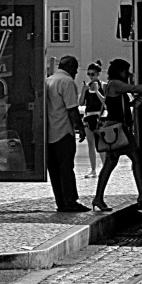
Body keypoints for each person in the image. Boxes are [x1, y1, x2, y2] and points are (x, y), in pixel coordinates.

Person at [92, 58, 142, 214]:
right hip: (117, 129)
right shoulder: (115, 84)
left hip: (118, 128)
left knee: (112, 163)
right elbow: (135, 88)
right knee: (134, 159)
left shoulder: (114, 85)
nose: (128, 74)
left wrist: (138, 101)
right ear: (120, 71)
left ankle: (99, 197)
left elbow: (129, 104)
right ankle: (141, 195)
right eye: (127, 71)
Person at [46, 55, 88, 212]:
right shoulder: (67, 82)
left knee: (55, 170)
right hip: (63, 132)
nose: (76, 73)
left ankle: (61, 202)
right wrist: (80, 128)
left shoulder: (49, 80)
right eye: (76, 70)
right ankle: (70, 201)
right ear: (70, 67)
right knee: (66, 168)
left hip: (49, 133)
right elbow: (72, 109)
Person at [79, 60, 106, 178]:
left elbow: (105, 102)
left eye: (93, 74)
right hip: (89, 116)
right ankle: (93, 169)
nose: (91, 76)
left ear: (98, 74)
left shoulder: (103, 85)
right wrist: (84, 91)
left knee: (102, 143)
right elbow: (80, 103)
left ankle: (105, 168)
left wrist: (96, 92)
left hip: (100, 117)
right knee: (91, 144)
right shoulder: (87, 86)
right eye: (89, 74)